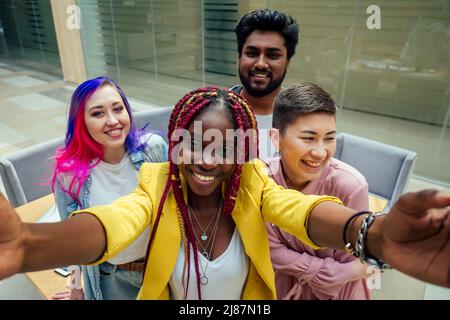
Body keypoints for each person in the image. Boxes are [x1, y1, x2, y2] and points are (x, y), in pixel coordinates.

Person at [0, 87, 449, 301]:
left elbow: (299, 211)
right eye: (193, 141)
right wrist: (30, 246)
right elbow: (115, 222)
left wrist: (370, 235)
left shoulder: (252, 181)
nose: (207, 159)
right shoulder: (156, 182)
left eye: (223, 146)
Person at [51, 76, 168, 300]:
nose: (113, 120)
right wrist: (76, 288)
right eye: (98, 113)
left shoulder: (154, 150)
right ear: (81, 121)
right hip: (111, 278)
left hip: (162, 270)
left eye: (118, 108)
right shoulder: (69, 175)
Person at [267, 83, 370, 300]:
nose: (320, 152)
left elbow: (355, 260)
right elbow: (269, 248)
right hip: (278, 288)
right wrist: (325, 271)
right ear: (276, 138)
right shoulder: (262, 178)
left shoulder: (350, 186)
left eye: (329, 138)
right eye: (308, 138)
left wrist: (345, 271)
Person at [231, 9, 299, 160]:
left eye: (273, 55)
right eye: (252, 53)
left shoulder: (302, 119)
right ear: (239, 58)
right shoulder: (212, 113)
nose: (261, 64)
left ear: (287, 63)